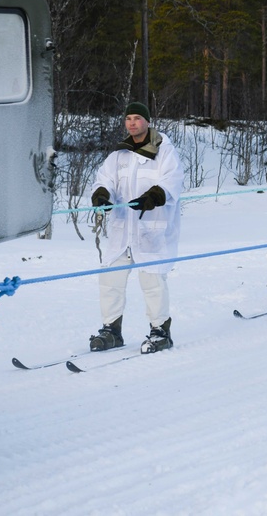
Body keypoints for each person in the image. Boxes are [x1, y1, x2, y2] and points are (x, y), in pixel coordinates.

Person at [89, 102, 184, 354]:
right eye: (128, 118)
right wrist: (101, 194)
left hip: (151, 232)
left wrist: (155, 195)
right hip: (122, 233)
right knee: (110, 280)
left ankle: (160, 332)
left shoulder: (164, 152)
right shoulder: (118, 156)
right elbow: (104, 180)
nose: (132, 123)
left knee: (152, 282)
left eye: (137, 118)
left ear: (148, 122)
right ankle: (111, 331)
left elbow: (172, 180)